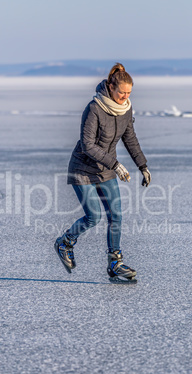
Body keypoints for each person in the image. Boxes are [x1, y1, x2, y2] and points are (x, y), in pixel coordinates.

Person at [54, 63, 151, 282]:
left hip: (105, 170)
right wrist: (116, 164)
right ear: (110, 87)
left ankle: (115, 263)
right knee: (94, 216)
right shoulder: (94, 108)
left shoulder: (126, 108)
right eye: (121, 92)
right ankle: (65, 242)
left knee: (116, 215)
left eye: (129, 93)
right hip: (82, 169)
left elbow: (130, 138)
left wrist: (142, 165)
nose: (125, 97)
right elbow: (87, 145)